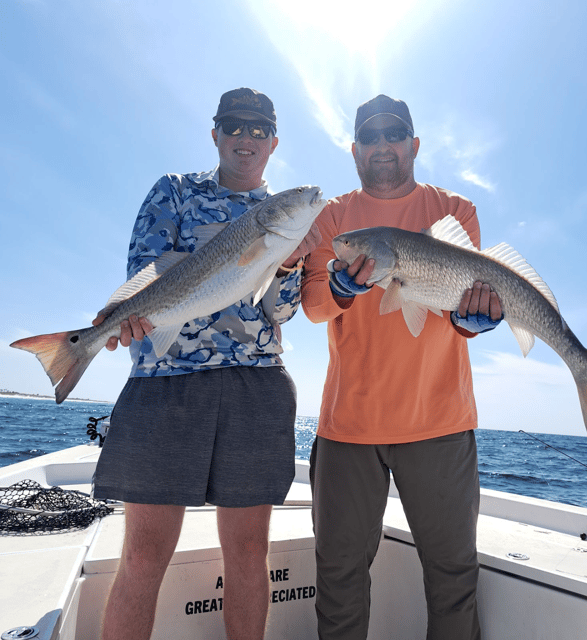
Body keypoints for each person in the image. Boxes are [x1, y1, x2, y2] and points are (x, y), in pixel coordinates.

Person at [91, 87, 320, 640]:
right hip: (166, 382)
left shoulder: (294, 230)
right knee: (144, 553)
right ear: (215, 134)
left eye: (259, 130)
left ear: (273, 143)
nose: (246, 139)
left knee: (246, 550)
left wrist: (288, 266)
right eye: (235, 126)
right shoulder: (174, 191)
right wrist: (122, 314)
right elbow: (147, 271)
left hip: (255, 387)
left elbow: (280, 313)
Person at [300, 94, 503, 640]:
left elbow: (459, 313)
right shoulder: (333, 219)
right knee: (338, 578)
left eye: (394, 135)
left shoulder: (455, 211)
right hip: (348, 428)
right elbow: (314, 305)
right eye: (370, 136)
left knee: (452, 578)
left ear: (414, 144)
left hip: (439, 423)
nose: (382, 146)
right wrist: (341, 289)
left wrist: (473, 321)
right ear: (354, 150)